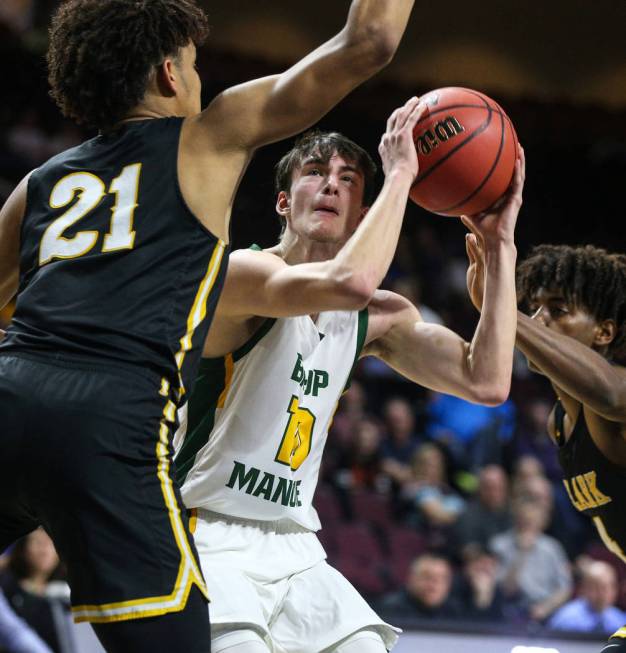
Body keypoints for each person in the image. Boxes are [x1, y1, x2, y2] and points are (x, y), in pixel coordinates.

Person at [0, 1, 416, 650]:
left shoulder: (38, 183)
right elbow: (369, 42)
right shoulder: (207, 136)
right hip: (110, 420)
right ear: (170, 73)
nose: (200, 81)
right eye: (194, 65)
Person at [174, 95, 525, 652]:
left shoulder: (376, 317)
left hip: (294, 545)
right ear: (284, 204)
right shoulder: (241, 273)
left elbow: (486, 382)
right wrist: (402, 174)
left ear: (365, 219)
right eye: (316, 173)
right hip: (201, 529)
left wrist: (500, 245)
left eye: (349, 179)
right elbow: (350, 281)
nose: (332, 184)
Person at [466, 241, 626, 651]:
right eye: (534, 308)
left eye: (557, 310)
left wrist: (502, 309)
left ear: (604, 332)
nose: (539, 321)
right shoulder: (559, 422)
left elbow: (608, 393)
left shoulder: (616, 396)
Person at [548, 560, 626, 635]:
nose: (603, 594)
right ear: (584, 589)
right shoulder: (566, 620)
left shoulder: (619, 620)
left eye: (608, 587)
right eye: (596, 588)